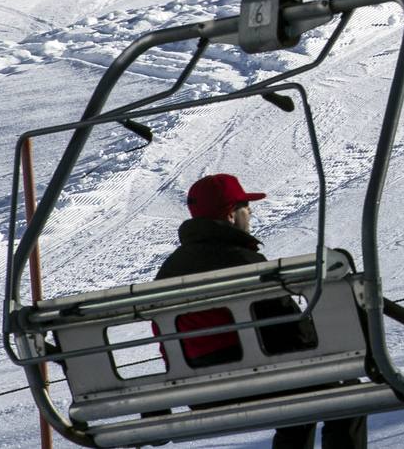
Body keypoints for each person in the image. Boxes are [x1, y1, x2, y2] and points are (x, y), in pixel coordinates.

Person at [157, 173, 367, 449]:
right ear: (230, 215)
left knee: (299, 403)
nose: (251, 212)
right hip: (253, 380)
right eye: (245, 206)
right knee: (348, 396)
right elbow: (288, 325)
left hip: (199, 390)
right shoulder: (244, 262)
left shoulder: (168, 270)